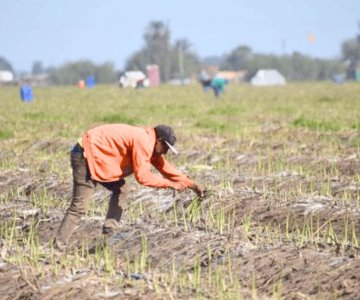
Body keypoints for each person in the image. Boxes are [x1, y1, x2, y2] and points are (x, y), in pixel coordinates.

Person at [55, 124, 205, 250]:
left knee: (122, 189)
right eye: (165, 147)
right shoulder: (144, 142)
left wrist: (192, 184)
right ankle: (58, 246)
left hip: (99, 159)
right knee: (79, 207)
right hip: (85, 155)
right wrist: (170, 184)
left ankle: (109, 234)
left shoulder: (149, 141)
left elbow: (165, 167)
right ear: (159, 141)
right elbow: (143, 177)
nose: (165, 152)